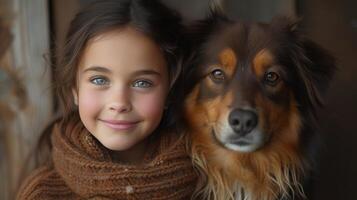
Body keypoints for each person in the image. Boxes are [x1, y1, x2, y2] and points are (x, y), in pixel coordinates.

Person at [16, 0, 197, 199]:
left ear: (170, 91)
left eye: (142, 83)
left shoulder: (210, 183)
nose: (119, 103)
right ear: (75, 88)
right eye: (99, 79)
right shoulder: (42, 194)